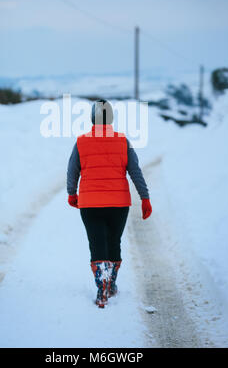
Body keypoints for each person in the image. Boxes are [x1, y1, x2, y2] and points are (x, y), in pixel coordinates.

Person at [67, 99, 152, 308]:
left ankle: (101, 287)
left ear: (91, 119)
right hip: (118, 205)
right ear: (111, 118)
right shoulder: (123, 141)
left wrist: (72, 193)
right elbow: (135, 172)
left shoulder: (81, 142)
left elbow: (72, 171)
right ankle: (111, 283)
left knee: (97, 243)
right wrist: (145, 197)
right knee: (114, 241)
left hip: (90, 205)